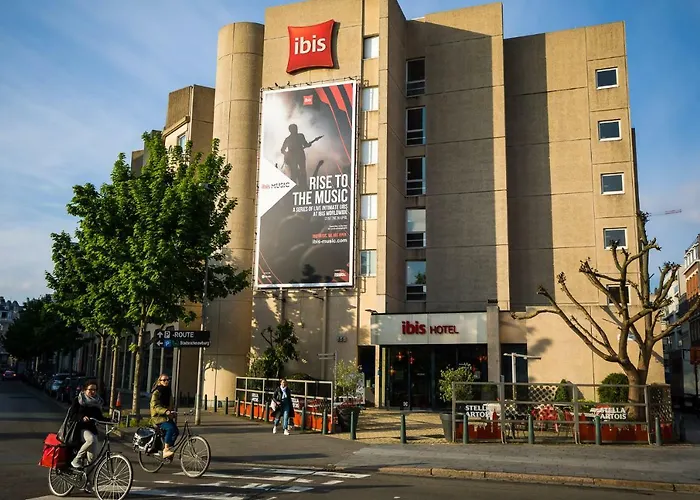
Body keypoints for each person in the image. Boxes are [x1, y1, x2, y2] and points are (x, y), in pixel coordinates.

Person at [68, 380, 104, 469]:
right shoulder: (78, 400)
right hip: (79, 428)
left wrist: (111, 420)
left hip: (91, 429)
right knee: (91, 440)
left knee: (92, 459)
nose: (93, 392)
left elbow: (100, 417)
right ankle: (76, 459)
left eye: (95, 390)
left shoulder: (96, 402)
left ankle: (88, 477)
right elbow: (72, 415)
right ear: (84, 390)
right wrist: (82, 417)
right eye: (90, 389)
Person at [280, 124, 322, 189]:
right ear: (291, 130)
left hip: (299, 156)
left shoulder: (296, 137)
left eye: (296, 128)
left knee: (300, 171)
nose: (296, 130)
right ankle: (299, 185)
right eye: (295, 128)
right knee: (297, 171)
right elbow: (282, 150)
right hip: (296, 157)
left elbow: (305, 144)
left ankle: (301, 185)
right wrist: (288, 154)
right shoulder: (292, 138)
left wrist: (288, 154)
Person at [150, 373, 179, 458]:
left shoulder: (168, 391)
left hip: (166, 417)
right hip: (158, 417)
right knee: (170, 428)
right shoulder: (156, 392)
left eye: (168, 380)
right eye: (164, 380)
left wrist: (172, 413)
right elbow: (155, 406)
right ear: (160, 381)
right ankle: (166, 450)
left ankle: (168, 448)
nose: (166, 381)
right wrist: (165, 411)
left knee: (176, 431)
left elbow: (170, 404)